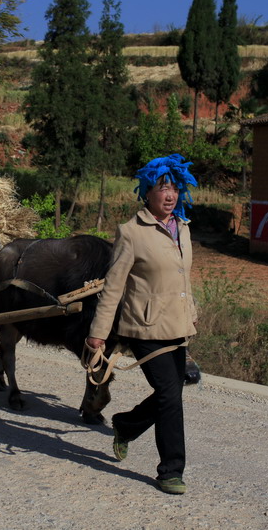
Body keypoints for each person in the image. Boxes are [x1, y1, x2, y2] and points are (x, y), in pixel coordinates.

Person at [86, 153, 198, 495]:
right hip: (145, 328)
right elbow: (114, 286)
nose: (170, 195)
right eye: (162, 188)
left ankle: (125, 425)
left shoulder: (182, 228)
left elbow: (184, 277)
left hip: (177, 325)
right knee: (169, 394)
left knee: (171, 392)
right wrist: (98, 334)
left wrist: (191, 310)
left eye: (175, 188)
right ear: (147, 191)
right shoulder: (131, 233)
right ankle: (170, 471)